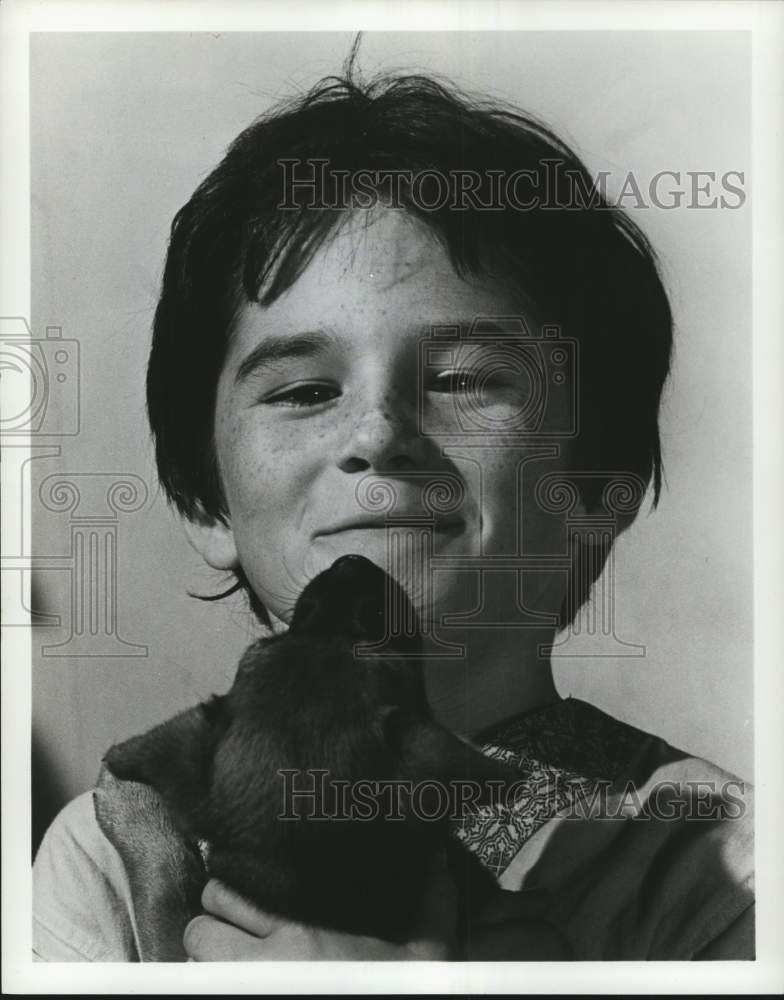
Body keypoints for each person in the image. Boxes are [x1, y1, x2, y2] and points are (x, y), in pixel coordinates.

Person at [32, 64, 754, 962]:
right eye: (301, 390)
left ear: (596, 490)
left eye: (462, 380)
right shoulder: (117, 854)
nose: (379, 433)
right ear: (207, 502)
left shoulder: (718, 869)